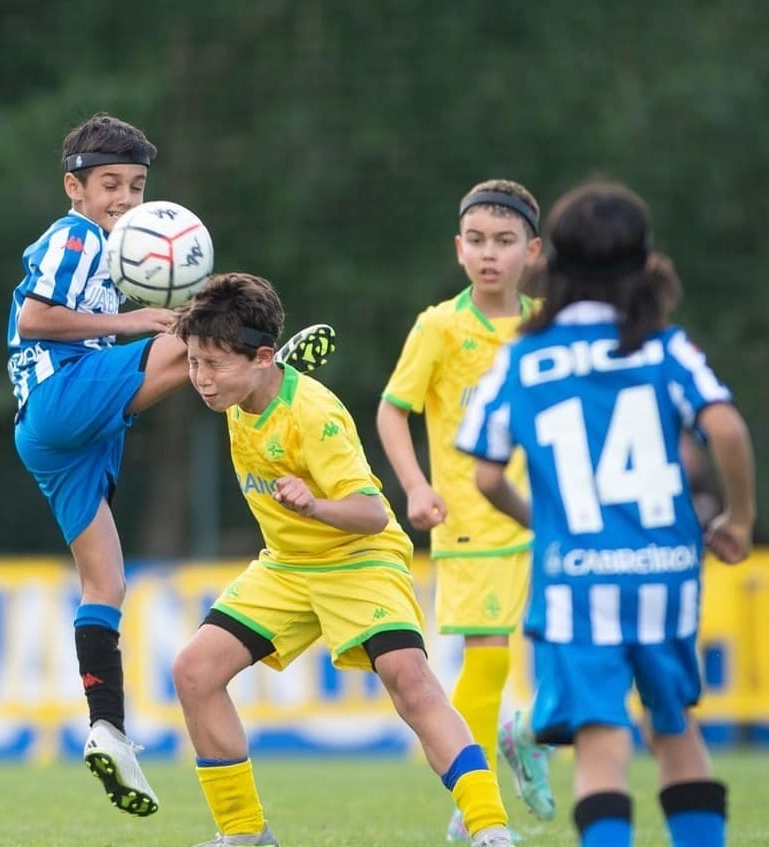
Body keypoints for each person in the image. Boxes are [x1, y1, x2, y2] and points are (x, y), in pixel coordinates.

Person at [7, 114, 334, 817]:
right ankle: (262, 366)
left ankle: (107, 728)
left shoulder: (111, 245)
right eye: (109, 185)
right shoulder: (76, 234)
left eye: (136, 185)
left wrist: (144, 317)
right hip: (63, 396)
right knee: (193, 328)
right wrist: (130, 322)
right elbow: (35, 319)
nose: (124, 198)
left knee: (107, 579)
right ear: (75, 186)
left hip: (56, 433)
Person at [457, 180, 756, 847]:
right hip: (664, 571)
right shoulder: (665, 348)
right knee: (675, 725)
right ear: (648, 266)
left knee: (600, 743)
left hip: (577, 581)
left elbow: (483, 471)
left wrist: (543, 521)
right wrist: (738, 518)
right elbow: (727, 427)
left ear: (546, 265)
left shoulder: (523, 358)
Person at [169, 272, 513, 847]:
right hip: (287, 564)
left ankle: (489, 830)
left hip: (358, 557)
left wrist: (316, 505)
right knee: (193, 672)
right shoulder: (239, 385)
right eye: (193, 362)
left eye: (212, 365)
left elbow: (373, 514)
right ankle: (245, 835)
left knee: (410, 680)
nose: (200, 379)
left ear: (260, 358)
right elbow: (213, 356)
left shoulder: (315, 416)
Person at [376, 179, 555, 840]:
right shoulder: (439, 326)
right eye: (477, 241)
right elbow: (393, 409)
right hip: (472, 518)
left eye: (504, 242)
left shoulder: (547, 326)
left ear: (531, 251)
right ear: (458, 249)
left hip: (546, 518)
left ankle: (526, 729)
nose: (489, 254)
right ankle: (476, 806)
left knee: (577, 652)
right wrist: (416, 486)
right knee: (489, 660)